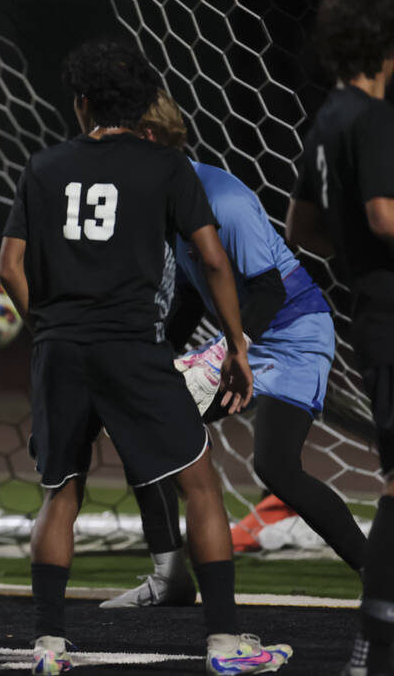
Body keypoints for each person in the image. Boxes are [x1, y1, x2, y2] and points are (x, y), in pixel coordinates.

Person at [0, 38, 292, 675]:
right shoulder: (166, 168)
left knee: (60, 491)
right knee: (201, 485)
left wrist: (47, 327)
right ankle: (224, 645)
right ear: (141, 104)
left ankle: (48, 645)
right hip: (133, 347)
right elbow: (213, 259)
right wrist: (236, 344)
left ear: (82, 103)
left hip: (62, 350)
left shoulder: (44, 165)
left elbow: (9, 267)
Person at [100, 90, 364, 610]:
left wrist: (231, 352)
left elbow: (268, 291)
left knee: (277, 468)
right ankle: (171, 578)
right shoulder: (163, 198)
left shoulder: (223, 199)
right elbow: (193, 294)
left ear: (150, 139)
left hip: (293, 332)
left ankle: (379, 578)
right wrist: (155, 355)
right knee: (143, 420)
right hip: (245, 334)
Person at [286, 0, 394, 676]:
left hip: (371, 311)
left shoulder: (328, 117)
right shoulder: (375, 118)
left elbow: (303, 229)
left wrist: (356, 258)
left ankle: (375, 641)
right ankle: (373, 645)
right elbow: (386, 216)